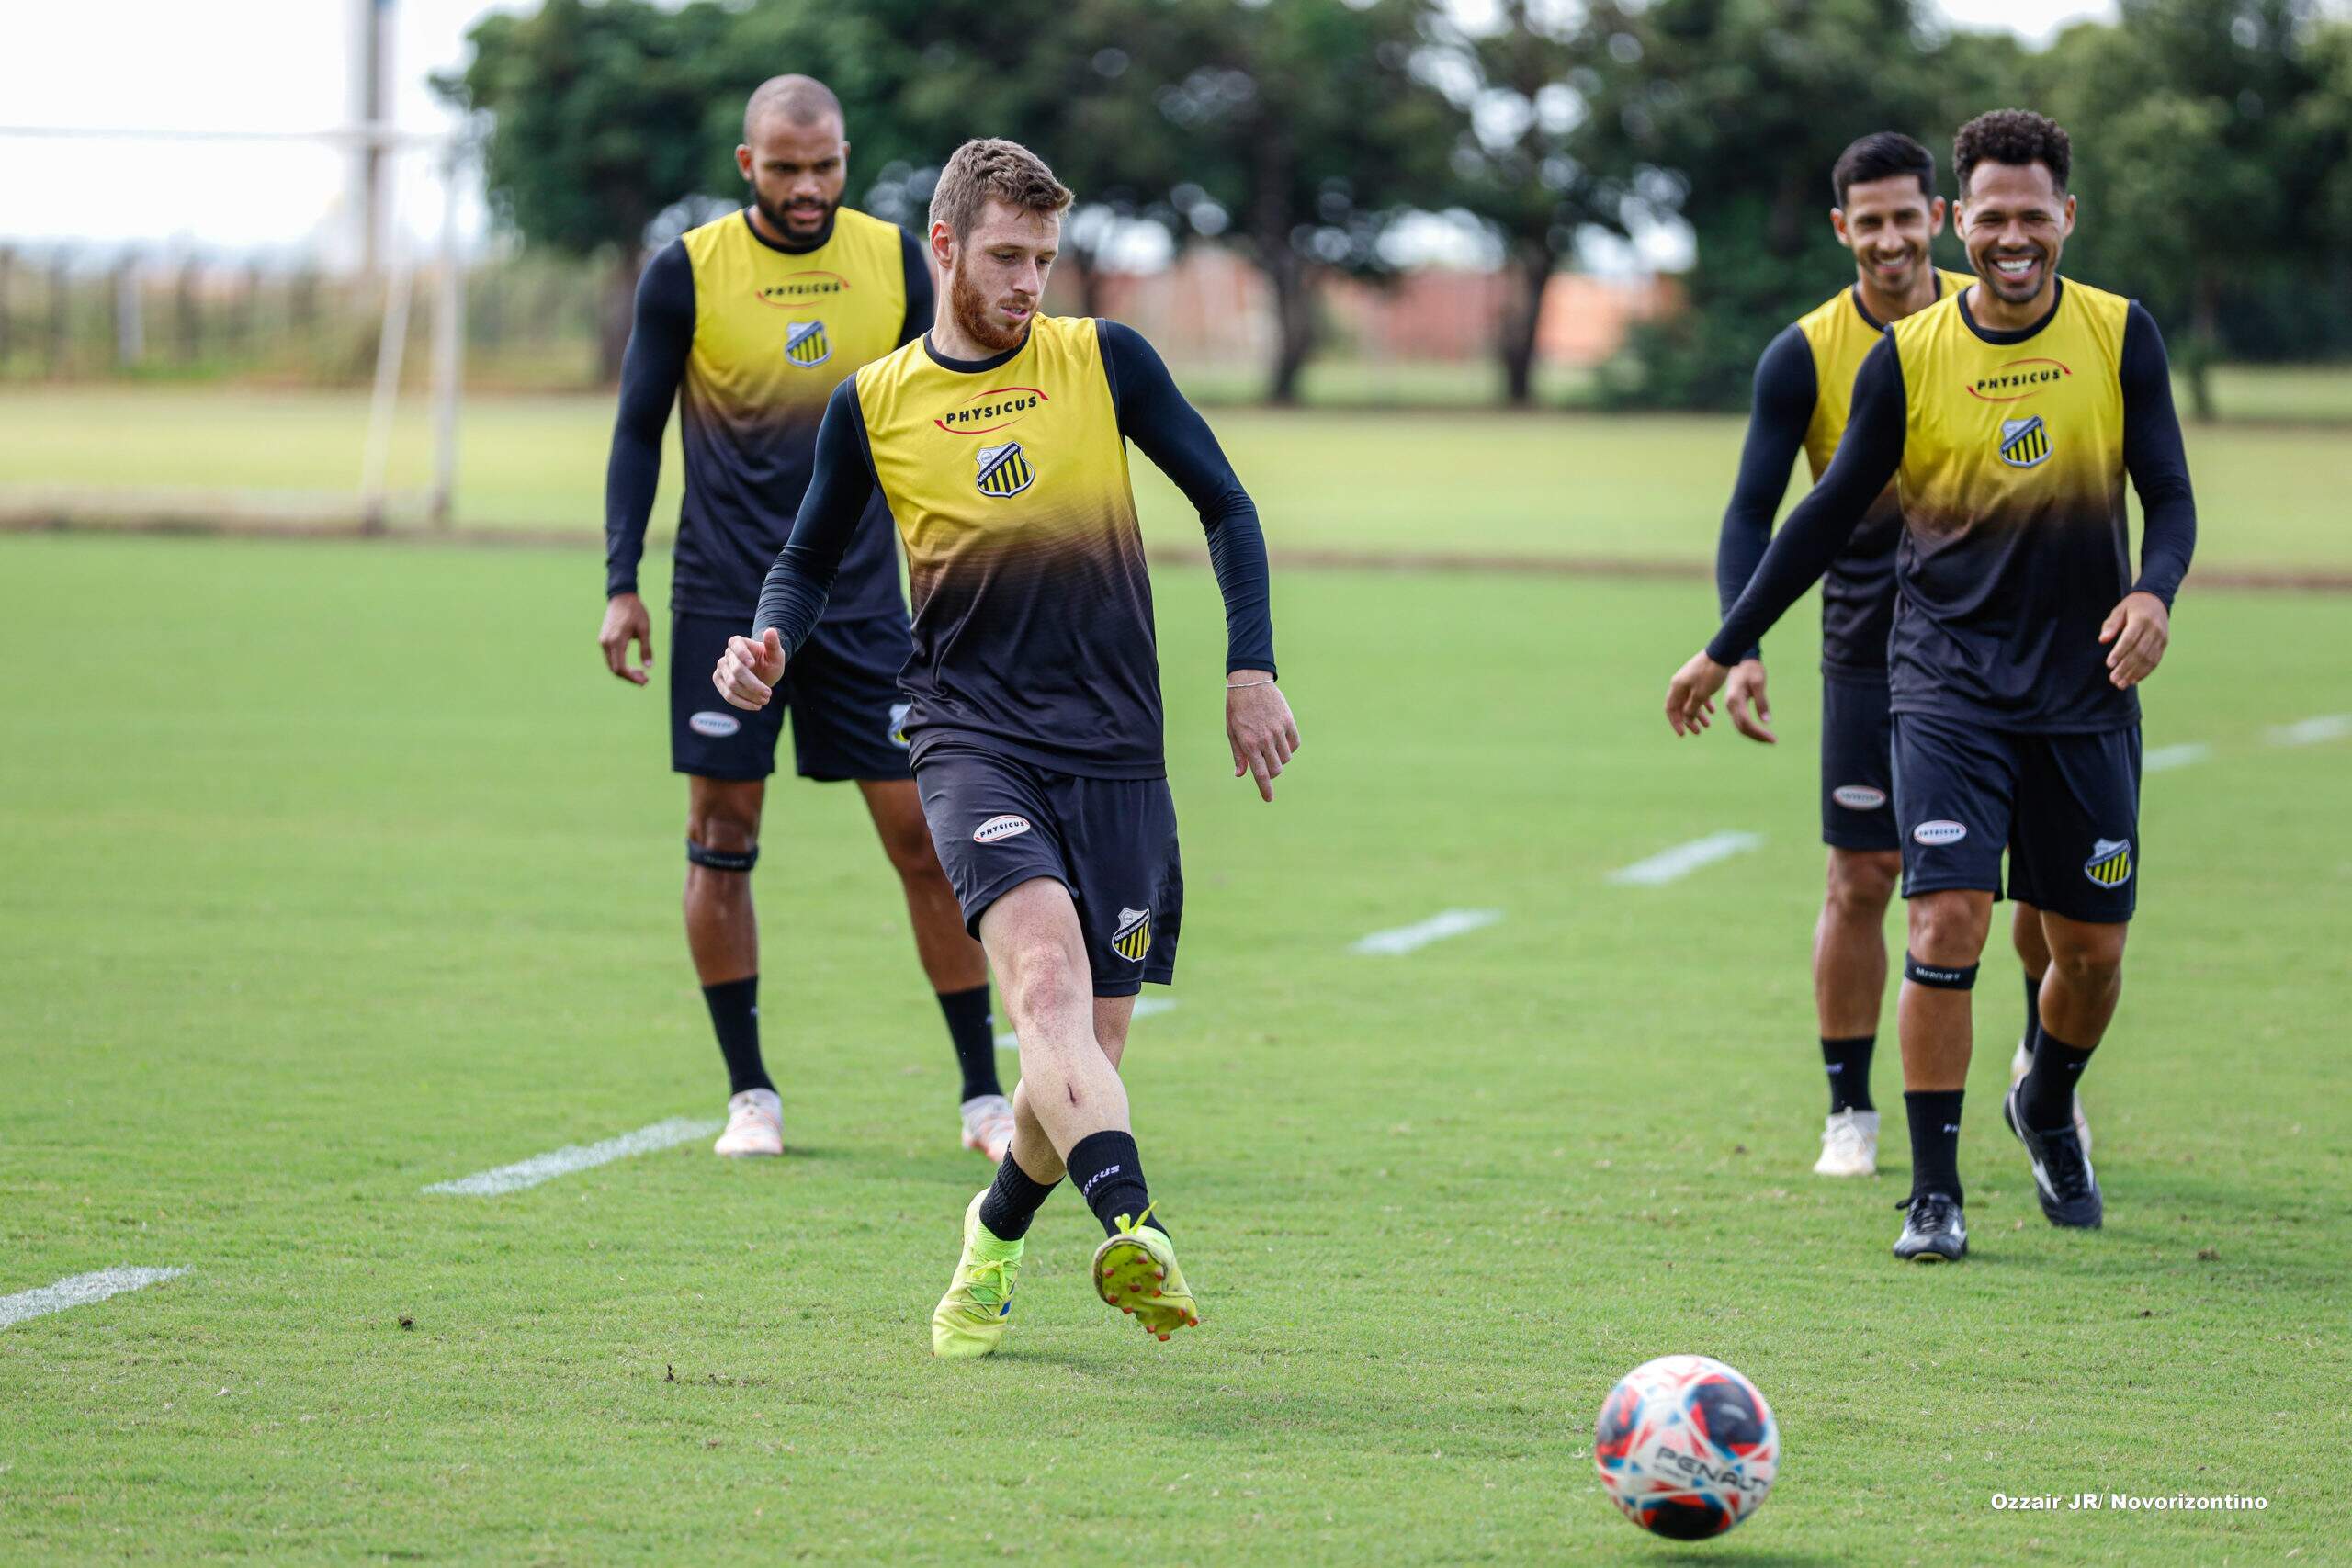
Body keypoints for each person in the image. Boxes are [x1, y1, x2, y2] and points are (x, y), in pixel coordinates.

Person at [712, 138, 1297, 1352]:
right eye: (1007, 256)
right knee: (1041, 987)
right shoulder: (873, 403)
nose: (1032, 280)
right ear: (945, 247)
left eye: (1045, 256)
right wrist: (768, 639)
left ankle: (991, 1238)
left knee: (1082, 1053)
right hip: (970, 740)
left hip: (1122, 755)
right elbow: (807, 562)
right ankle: (1136, 1230)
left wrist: (1251, 664)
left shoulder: (1105, 360)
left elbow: (1228, 505)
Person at [1665, 110, 2195, 1262]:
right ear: (1968, 219)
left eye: (2031, 214)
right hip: (1941, 680)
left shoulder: (2120, 335)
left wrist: (2153, 590)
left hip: (2083, 688)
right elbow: (1811, 517)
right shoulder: (1901, 358)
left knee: (2086, 954)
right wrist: (1727, 642)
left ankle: (2046, 1099)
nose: (2011, 235)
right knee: (1940, 909)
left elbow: (2171, 491)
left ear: (2067, 216)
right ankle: (1931, 1190)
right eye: (1990, 215)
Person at [601, 75, 1008, 1163]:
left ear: (844, 156)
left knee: (925, 839)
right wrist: (618, 581)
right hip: (728, 601)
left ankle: (982, 1098)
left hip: (868, 601)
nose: (806, 186)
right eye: (783, 169)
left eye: (823, 165)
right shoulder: (685, 272)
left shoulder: (892, 259)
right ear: (748, 167)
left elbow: (952, 408)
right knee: (722, 833)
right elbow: (639, 431)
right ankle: (751, 1097)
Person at [1713, 131, 1994, 1179]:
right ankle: (1850, 1112)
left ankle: (2037, 1080)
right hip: (1867, 640)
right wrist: (1739, 644)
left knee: (2031, 895)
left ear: (1939, 216)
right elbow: (1752, 513)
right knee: (1860, 877)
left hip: (1997, 635)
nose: (1887, 238)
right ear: (1842, 229)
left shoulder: (1999, 320)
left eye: (1904, 216)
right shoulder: (1803, 353)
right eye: (1865, 221)